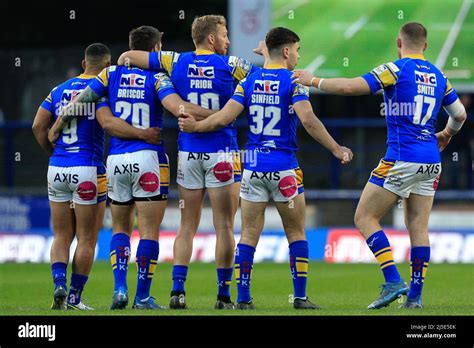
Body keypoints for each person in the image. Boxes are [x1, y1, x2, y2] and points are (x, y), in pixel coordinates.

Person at [293, 22, 467, 309]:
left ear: (400, 43)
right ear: (425, 46)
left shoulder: (395, 70)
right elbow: (459, 115)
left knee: (364, 217)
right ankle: (415, 297)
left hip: (402, 157)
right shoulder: (439, 75)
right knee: (418, 227)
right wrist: (446, 134)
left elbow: (350, 87)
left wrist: (314, 81)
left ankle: (393, 280)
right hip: (431, 161)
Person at [179, 27, 353, 309]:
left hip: (253, 169)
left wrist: (196, 126)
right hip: (284, 169)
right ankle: (299, 296)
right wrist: (336, 148)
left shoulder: (248, 81)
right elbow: (308, 121)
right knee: (296, 233)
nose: (298, 55)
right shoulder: (294, 82)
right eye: (296, 50)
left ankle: (244, 298)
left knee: (248, 234)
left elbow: (223, 118)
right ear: (286, 51)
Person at [48, 26, 213, 310]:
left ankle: (120, 290)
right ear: (154, 50)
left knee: (120, 229)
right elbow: (178, 108)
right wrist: (220, 114)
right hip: (149, 158)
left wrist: (57, 125)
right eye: (160, 46)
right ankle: (143, 296)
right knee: (148, 231)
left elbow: (82, 101)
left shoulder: (109, 75)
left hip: (116, 161)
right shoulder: (158, 77)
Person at [117, 15, 261, 309]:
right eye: (224, 35)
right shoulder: (232, 64)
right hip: (222, 152)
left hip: (188, 154)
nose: (228, 41)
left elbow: (129, 56)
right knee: (223, 226)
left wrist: (124, 66)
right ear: (211, 38)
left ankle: (177, 291)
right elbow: (267, 75)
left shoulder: (174, 60)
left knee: (187, 226)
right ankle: (223, 295)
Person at [32, 43, 113, 310]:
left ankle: (59, 286)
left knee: (61, 235)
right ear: (107, 66)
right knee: (87, 238)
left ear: (83, 63)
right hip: (88, 168)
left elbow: (37, 126)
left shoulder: (58, 90)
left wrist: (52, 152)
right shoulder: (105, 88)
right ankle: (75, 297)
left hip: (57, 168)